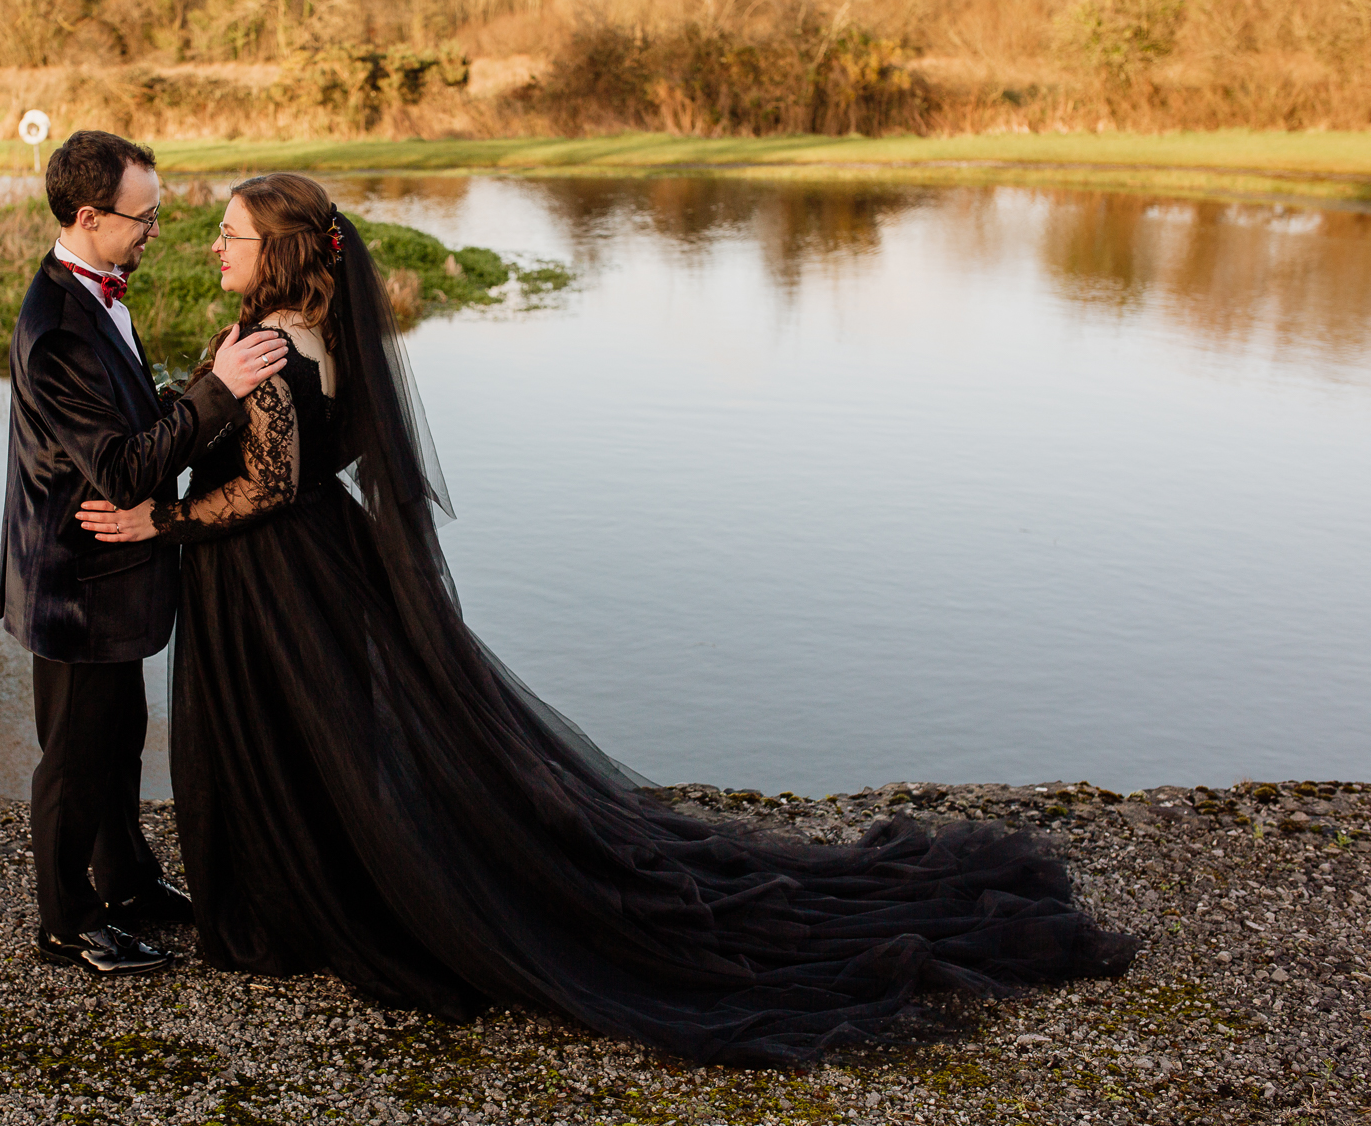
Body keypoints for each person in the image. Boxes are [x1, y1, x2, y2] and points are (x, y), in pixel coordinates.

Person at [77, 172, 1138, 1062]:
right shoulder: (320, 328)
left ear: (280, 251)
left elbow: (265, 484)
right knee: (338, 740)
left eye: (232, 234)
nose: (215, 244)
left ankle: (315, 901)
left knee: (290, 735)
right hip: (322, 556)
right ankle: (334, 879)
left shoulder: (263, 346)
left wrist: (155, 519)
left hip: (271, 573)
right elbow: (339, 449)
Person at [0, 130, 291, 977]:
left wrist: (193, 391)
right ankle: (67, 921)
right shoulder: (56, 327)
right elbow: (122, 468)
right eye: (144, 216)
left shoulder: (99, 296)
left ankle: (126, 881)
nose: (155, 229)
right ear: (89, 216)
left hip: (105, 576)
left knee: (118, 733)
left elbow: (124, 414)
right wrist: (218, 392)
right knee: (76, 753)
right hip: (74, 575)